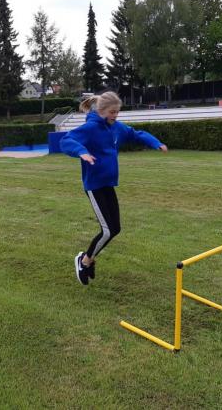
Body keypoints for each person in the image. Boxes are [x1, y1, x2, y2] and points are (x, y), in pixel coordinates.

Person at [60, 91, 168, 285]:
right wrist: (82, 152)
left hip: (108, 185)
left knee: (115, 228)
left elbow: (137, 134)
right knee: (108, 230)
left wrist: (156, 143)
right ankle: (84, 261)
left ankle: (87, 259)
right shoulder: (91, 127)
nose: (115, 116)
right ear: (101, 111)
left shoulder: (117, 127)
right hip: (94, 186)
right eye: (112, 112)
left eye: (118, 112)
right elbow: (67, 140)